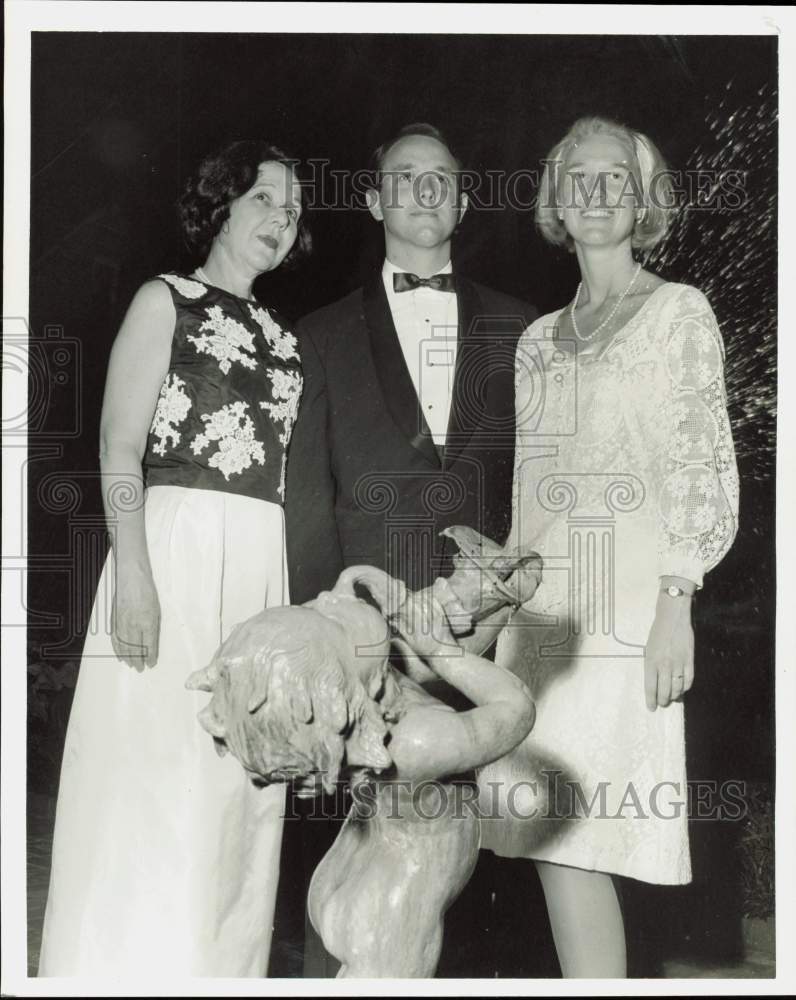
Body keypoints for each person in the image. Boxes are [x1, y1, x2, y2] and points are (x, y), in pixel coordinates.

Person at [38, 140, 311, 978]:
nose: (281, 220)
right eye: (265, 199)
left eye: (295, 211)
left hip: (258, 568)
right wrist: (134, 579)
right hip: (172, 553)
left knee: (234, 789)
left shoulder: (288, 340)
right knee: (155, 773)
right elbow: (118, 448)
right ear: (221, 204)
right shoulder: (166, 300)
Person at [477, 116, 740, 977]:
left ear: (642, 201)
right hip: (547, 620)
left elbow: (701, 464)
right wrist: (489, 610)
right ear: (556, 197)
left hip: (632, 605)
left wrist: (678, 599)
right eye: (576, 176)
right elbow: (529, 500)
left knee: (589, 831)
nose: (594, 192)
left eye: (614, 178)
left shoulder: (678, 313)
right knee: (553, 839)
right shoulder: (534, 342)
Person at [283, 122, 538, 974]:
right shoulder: (316, 334)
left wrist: (500, 602)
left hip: (476, 628)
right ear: (373, 199)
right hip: (365, 629)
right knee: (354, 834)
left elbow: (532, 484)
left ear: (463, 203)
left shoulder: (521, 327)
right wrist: (332, 624)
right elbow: (309, 498)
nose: (424, 192)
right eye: (405, 177)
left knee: (456, 851)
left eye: (442, 180)